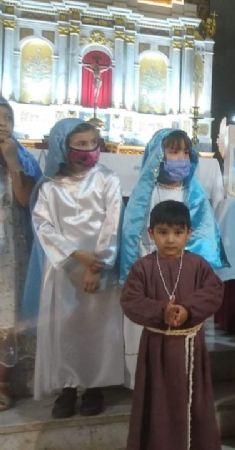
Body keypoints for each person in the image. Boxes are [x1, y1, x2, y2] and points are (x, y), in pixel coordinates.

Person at [30, 118, 124, 417]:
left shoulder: (108, 180)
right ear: (64, 146)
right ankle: (67, 389)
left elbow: (112, 224)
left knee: (97, 328)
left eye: (92, 144)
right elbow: (43, 225)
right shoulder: (50, 186)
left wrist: (97, 264)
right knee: (64, 328)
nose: (87, 150)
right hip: (63, 268)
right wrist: (76, 255)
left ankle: (94, 388)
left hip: (98, 269)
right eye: (79, 144)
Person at [119, 128, 226, 389]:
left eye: (185, 152)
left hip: (184, 274)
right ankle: (142, 383)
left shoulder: (194, 194)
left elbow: (202, 237)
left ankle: (184, 382)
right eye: (173, 151)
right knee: (146, 332)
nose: (180, 157)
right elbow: (134, 232)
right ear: (158, 154)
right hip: (150, 272)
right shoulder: (145, 193)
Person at [121, 200, 223, 450]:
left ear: (189, 233)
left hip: (191, 349)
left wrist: (187, 309)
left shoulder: (197, 264)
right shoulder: (142, 267)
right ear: (151, 233)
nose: (170, 240)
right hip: (156, 349)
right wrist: (160, 311)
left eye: (178, 233)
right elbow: (131, 300)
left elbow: (213, 292)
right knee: (158, 401)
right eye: (163, 232)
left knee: (193, 400)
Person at [0, 96, 42, 410]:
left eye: (7, 118)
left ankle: (2, 382)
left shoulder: (24, 157)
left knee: (8, 314)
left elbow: (27, 201)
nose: (2, 122)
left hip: (12, 247)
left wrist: (12, 162)